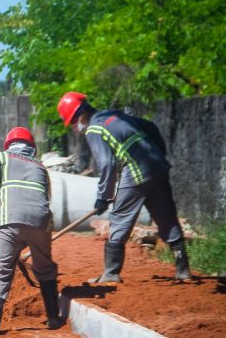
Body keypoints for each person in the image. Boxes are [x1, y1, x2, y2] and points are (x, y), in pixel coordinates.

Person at [57, 91, 190, 283]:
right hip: (158, 166)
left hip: (136, 169)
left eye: (72, 122)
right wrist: (158, 155)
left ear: (81, 115)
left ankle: (110, 274)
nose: (74, 127)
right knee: (165, 215)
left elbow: (106, 164)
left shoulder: (94, 129)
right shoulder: (111, 115)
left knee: (120, 217)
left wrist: (103, 197)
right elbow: (150, 126)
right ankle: (183, 270)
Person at [0, 127, 61, 338]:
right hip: (41, 222)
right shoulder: (41, 166)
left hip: (8, 220)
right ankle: (53, 318)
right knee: (44, 267)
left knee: (1, 273)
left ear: (9, 144)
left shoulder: (1, 157)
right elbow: (47, 196)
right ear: (31, 146)